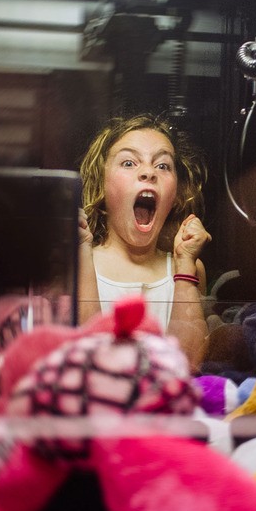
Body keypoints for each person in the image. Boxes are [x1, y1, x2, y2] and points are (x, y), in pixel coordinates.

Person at [77, 113, 211, 370]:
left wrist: (185, 265)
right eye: (129, 163)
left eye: (163, 166)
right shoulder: (81, 265)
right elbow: (85, 361)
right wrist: (81, 253)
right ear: (102, 185)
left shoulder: (189, 269)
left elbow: (189, 365)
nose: (149, 172)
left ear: (176, 193)